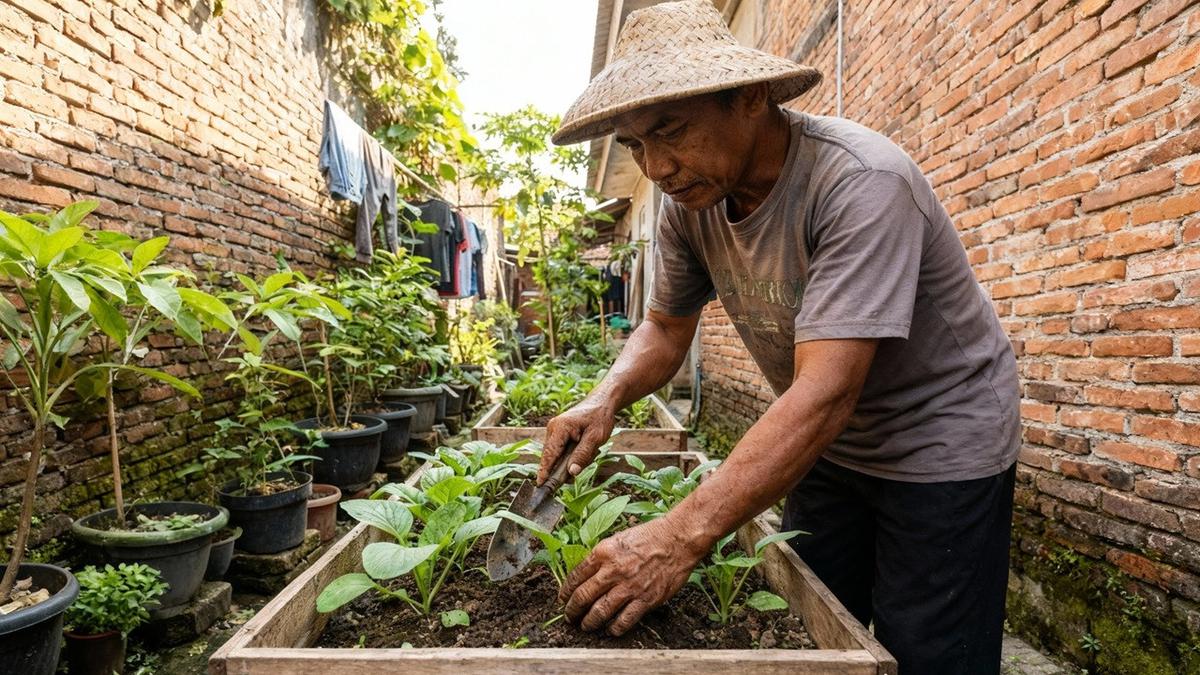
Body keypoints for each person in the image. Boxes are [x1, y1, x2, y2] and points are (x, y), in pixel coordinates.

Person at [539, 2, 1020, 673]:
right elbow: (664, 326)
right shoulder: (691, 202)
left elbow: (826, 388)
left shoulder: (859, 182)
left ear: (751, 98)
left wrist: (678, 536)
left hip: (939, 440)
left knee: (930, 650)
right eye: (635, 145)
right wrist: (606, 396)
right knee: (810, 622)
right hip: (827, 441)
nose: (656, 168)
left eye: (671, 131)